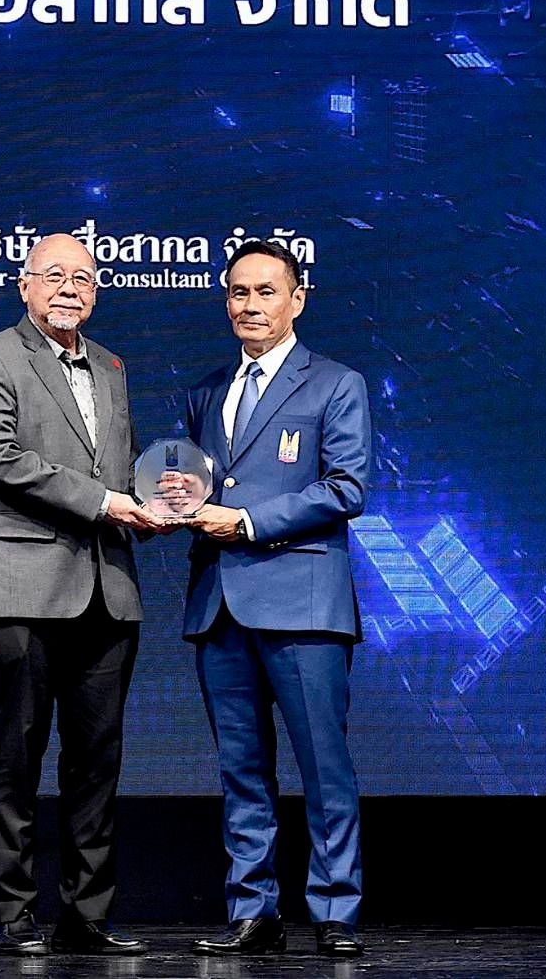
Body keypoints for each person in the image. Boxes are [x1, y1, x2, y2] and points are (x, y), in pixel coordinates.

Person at [0, 233, 167, 956]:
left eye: (82, 277)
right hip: (23, 586)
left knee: (97, 760)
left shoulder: (110, 365)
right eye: (53, 275)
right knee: (17, 754)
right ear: (24, 285)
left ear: (97, 291)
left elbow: (117, 471)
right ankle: (14, 914)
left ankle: (86, 915)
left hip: (108, 589)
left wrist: (157, 501)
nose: (68, 288)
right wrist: (107, 502)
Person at [181, 239, 373, 958]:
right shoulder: (207, 391)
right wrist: (179, 497)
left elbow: (346, 487)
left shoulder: (336, 383)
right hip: (220, 604)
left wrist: (246, 522)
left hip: (303, 603)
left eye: (266, 291)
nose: (250, 305)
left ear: (298, 298)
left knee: (323, 765)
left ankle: (335, 908)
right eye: (238, 292)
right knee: (240, 769)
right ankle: (252, 910)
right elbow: (208, 485)